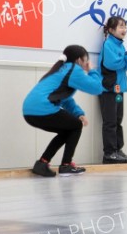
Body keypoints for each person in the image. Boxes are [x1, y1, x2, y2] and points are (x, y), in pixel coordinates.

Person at [23, 45, 105, 177]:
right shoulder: (74, 69)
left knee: (68, 130)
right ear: (79, 60)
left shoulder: (60, 69)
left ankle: (42, 163)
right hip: (43, 108)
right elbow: (97, 88)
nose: (86, 63)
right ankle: (66, 165)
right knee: (76, 126)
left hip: (29, 111)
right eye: (86, 60)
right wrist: (92, 70)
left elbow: (65, 99)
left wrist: (79, 113)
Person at [98, 16, 127, 164]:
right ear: (111, 30)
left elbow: (123, 66)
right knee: (110, 121)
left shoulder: (120, 46)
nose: (124, 29)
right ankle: (109, 153)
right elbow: (112, 64)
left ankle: (117, 150)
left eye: (125, 26)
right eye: (121, 26)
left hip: (118, 89)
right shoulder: (108, 44)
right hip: (108, 89)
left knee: (117, 119)